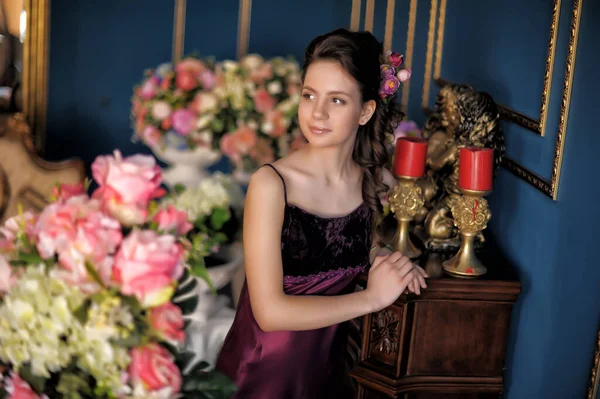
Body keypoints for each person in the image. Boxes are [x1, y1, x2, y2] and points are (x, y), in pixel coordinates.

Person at [215, 28, 428, 398]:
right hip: (261, 376)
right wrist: (373, 299)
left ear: (366, 111)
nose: (317, 112)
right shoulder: (271, 185)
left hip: (327, 375)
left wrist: (389, 262)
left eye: (337, 101)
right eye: (309, 95)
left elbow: (350, 253)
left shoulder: (375, 181)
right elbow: (269, 312)